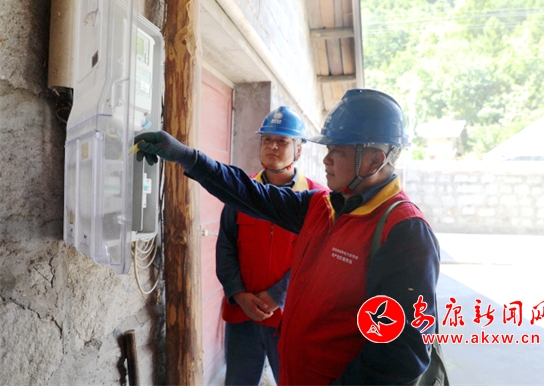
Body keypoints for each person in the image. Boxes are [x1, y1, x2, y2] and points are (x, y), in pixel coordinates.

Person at [136, 89, 442, 385]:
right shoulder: (322, 206)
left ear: (375, 161)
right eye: (328, 149)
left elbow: (402, 356)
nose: (326, 159)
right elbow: (250, 193)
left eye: (338, 151)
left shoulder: (404, 232)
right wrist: (185, 156)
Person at [216, 106, 326, 385]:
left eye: (282, 141)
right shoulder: (241, 191)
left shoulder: (317, 199)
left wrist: (279, 294)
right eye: (267, 140)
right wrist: (239, 294)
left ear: (299, 150)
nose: (272, 147)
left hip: (291, 318)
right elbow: (225, 247)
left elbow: (319, 258)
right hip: (242, 315)